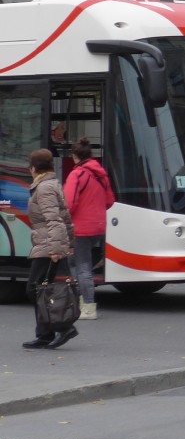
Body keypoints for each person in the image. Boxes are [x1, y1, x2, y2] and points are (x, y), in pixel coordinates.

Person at [24, 148, 79, 350]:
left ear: (34, 168)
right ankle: (45, 334)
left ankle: (63, 327)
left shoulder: (44, 188)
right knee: (42, 289)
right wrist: (70, 244)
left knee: (34, 289)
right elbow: (66, 218)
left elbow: (55, 220)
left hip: (48, 244)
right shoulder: (51, 184)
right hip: (50, 243)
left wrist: (57, 249)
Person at [63, 138, 114, 321]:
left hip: (80, 228)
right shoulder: (101, 174)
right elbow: (109, 201)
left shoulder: (76, 175)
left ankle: (88, 306)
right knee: (79, 263)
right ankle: (83, 301)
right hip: (98, 227)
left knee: (81, 266)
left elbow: (69, 203)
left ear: (74, 156)